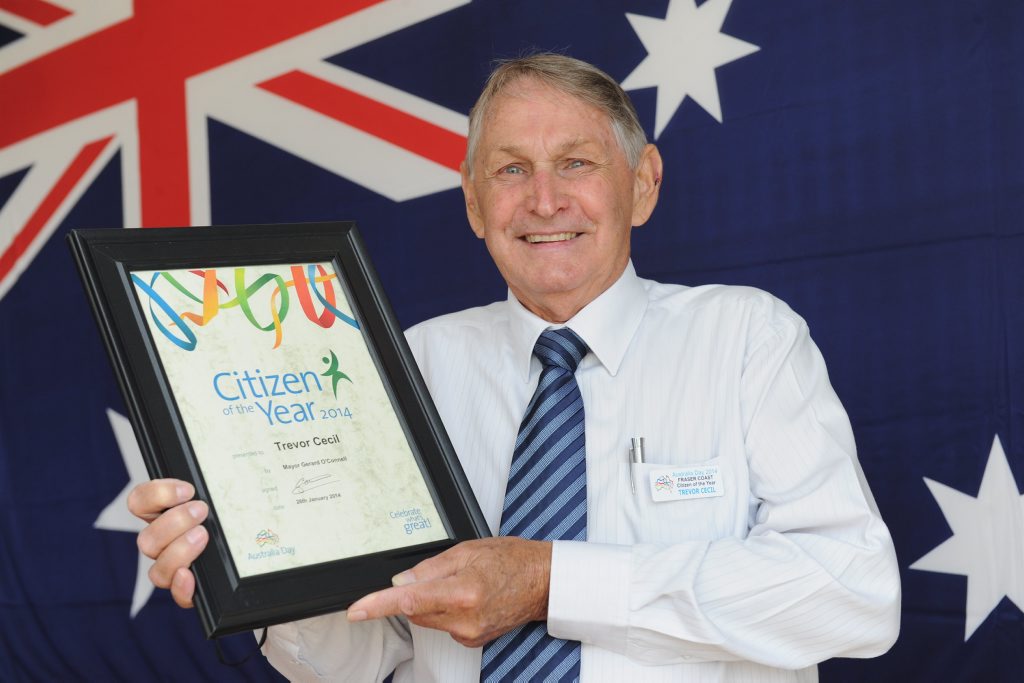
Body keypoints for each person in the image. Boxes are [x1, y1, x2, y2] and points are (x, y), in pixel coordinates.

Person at [129, 54, 900, 681]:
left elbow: (853, 593)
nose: (543, 200)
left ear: (643, 184)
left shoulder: (746, 339)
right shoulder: (409, 364)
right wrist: (255, 570)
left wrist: (549, 582)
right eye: (509, 171)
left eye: (575, 162)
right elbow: (363, 658)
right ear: (471, 202)